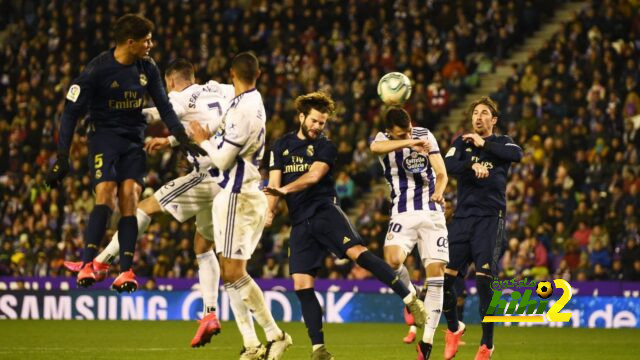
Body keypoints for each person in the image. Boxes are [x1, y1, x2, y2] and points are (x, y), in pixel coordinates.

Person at [62, 58, 240, 348]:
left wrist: (107, 111)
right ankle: (209, 313)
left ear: (169, 82)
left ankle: (99, 262)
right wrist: (171, 142)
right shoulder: (221, 89)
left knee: (145, 207)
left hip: (207, 175)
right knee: (203, 246)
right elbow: (214, 122)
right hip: (231, 177)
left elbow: (151, 115)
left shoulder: (179, 97)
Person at [45, 14, 204, 293]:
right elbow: (70, 113)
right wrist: (62, 158)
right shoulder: (96, 70)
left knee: (130, 197)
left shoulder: (148, 67)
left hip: (133, 140)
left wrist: (180, 137)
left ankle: (126, 271)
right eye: (146, 41)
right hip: (104, 139)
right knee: (106, 192)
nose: (151, 45)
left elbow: (165, 107)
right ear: (130, 43)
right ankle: (87, 264)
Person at [264, 92, 427, 360]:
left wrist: (283, 190)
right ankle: (319, 349)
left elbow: (314, 175)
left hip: (324, 210)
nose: (318, 127)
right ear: (302, 117)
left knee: (358, 254)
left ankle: (409, 297)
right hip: (299, 221)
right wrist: (270, 212)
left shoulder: (326, 146)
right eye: (315, 121)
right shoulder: (280, 146)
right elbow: (273, 184)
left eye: (322, 123)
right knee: (302, 285)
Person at [189, 52, 291, 360]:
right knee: (228, 270)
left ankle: (275, 335)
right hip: (234, 193)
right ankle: (251, 343)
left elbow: (222, 159)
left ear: (232, 73)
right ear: (258, 74)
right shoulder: (250, 101)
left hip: (239, 194)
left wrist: (202, 140)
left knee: (233, 271)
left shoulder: (243, 109)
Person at [442, 97, 523, 360]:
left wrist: (484, 145)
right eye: (475, 112)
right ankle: (454, 328)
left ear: (494, 119)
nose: (478, 117)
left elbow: (517, 154)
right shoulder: (461, 143)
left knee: (484, 282)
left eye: (484, 113)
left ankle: (486, 345)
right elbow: (446, 165)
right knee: (445, 279)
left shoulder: (502, 142)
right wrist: (470, 163)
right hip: (463, 218)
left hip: (490, 218)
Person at [370, 107, 449, 359]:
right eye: (401, 133)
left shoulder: (425, 134)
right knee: (392, 262)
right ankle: (412, 294)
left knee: (436, 275)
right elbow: (375, 149)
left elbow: (441, 172)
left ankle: (426, 343)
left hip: (431, 211)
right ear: (390, 133)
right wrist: (411, 142)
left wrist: (439, 190)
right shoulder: (383, 140)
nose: (409, 133)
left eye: (409, 129)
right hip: (402, 212)